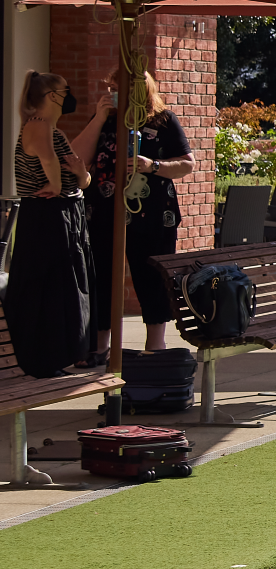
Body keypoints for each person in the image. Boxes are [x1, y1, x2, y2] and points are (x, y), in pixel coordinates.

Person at [88, 72, 194, 357]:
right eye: (109, 87)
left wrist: (153, 165)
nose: (111, 92)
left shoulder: (163, 121)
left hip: (153, 213)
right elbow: (84, 157)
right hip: (105, 210)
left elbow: (186, 164)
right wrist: (99, 117)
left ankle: (154, 346)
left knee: (152, 278)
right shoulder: (107, 119)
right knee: (102, 276)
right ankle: (100, 346)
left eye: (116, 88)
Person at [7, 71, 104, 378]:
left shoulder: (55, 131)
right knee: (48, 286)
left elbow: (83, 180)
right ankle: (42, 357)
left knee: (68, 286)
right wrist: (55, 183)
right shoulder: (37, 126)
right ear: (51, 97)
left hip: (68, 214)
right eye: (65, 90)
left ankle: (62, 353)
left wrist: (79, 173)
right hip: (48, 216)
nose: (69, 95)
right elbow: (47, 160)